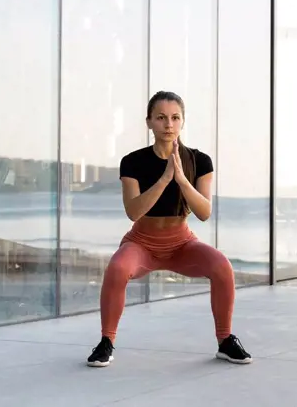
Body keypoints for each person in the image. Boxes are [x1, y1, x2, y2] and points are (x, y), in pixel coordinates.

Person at [86, 91, 252, 367]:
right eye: (161, 118)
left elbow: (204, 212)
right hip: (142, 243)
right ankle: (106, 342)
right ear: (149, 122)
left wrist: (182, 180)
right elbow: (133, 211)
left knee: (222, 266)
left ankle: (225, 340)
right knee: (117, 267)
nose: (168, 124)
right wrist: (164, 179)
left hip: (181, 243)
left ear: (183, 122)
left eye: (175, 118)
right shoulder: (133, 162)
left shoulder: (200, 161)